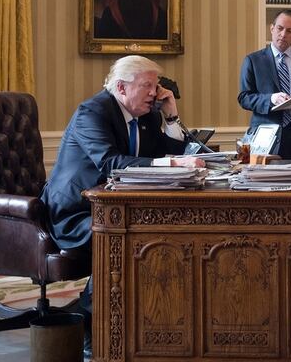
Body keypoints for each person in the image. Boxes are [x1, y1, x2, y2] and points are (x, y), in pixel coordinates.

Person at [41, 55, 204, 357]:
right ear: (121, 87)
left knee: (158, 238)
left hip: (115, 209)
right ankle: (92, 328)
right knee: (122, 241)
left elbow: (168, 152)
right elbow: (110, 163)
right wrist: (170, 163)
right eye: (148, 86)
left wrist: (170, 115)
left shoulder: (145, 115)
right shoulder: (92, 111)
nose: (155, 94)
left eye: (156, 87)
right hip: (76, 211)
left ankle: (153, 322)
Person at [238, 9, 291, 160]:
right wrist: (271, 99)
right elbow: (244, 98)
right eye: (280, 28)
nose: (283, 34)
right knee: (265, 182)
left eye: (290, 31)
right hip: (266, 138)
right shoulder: (253, 61)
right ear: (272, 28)